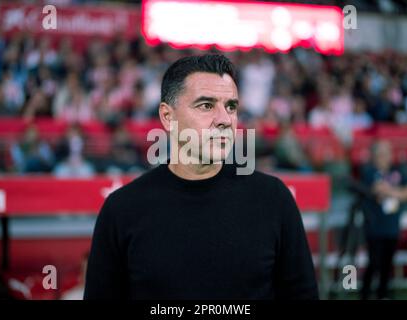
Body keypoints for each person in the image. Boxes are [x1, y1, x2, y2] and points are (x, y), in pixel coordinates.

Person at [84, 54, 318, 300]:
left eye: (231, 106)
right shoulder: (122, 210)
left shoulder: (273, 199)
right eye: (206, 105)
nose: (224, 120)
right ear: (167, 117)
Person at [360, 140, 407, 300]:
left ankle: (382, 294)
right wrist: (400, 192)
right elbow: (378, 190)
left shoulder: (398, 172)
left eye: (387, 153)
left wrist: (392, 192)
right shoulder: (369, 172)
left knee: (387, 265)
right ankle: (365, 293)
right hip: (375, 226)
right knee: (374, 263)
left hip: (392, 226)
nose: (385, 157)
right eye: (381, 154)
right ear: (375, 156)